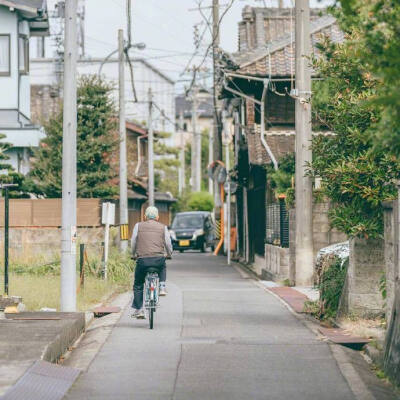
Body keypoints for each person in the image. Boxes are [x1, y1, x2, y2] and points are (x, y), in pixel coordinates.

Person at [130, 206, 172, 319]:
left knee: (138, 284)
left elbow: (133, 241)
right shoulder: (163, 227)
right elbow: (168, 243)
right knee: (163, 266)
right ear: (157, 217)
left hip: (142, 260)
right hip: (158, 260)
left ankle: (139, 309)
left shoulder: (138, 226)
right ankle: (162, 287)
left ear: (145, 216)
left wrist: (133, 254)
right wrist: (169, 253)